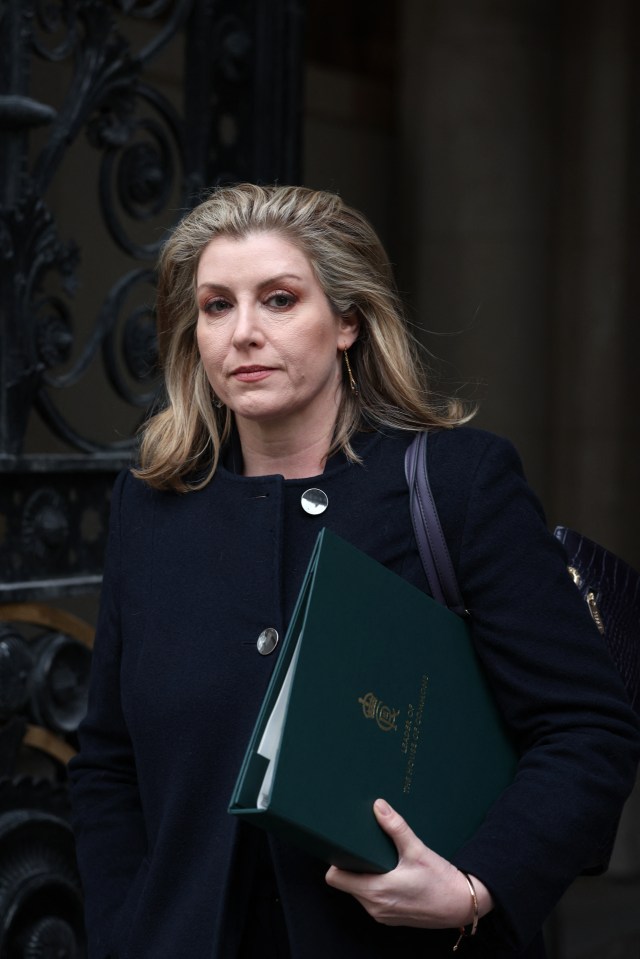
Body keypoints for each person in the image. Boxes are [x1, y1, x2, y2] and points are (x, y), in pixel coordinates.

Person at [69, 183, 640, 959]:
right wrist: (126, 930)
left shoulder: (458, 484)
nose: (243, 333)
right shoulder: (151, 508)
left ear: (347, 320)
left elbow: (587, 728)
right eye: (215, 306)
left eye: (278, 299)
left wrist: (476, 886)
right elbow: (107, 763)